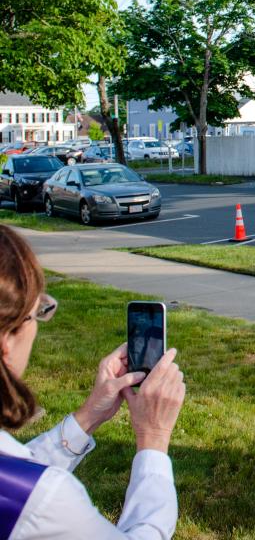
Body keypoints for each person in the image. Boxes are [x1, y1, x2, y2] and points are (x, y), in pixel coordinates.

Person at [0, 224, 186, 539]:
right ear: (7, 339)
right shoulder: (47, 503)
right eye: (39, 312)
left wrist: (88, 417)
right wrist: (153, 439)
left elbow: (13, 475)